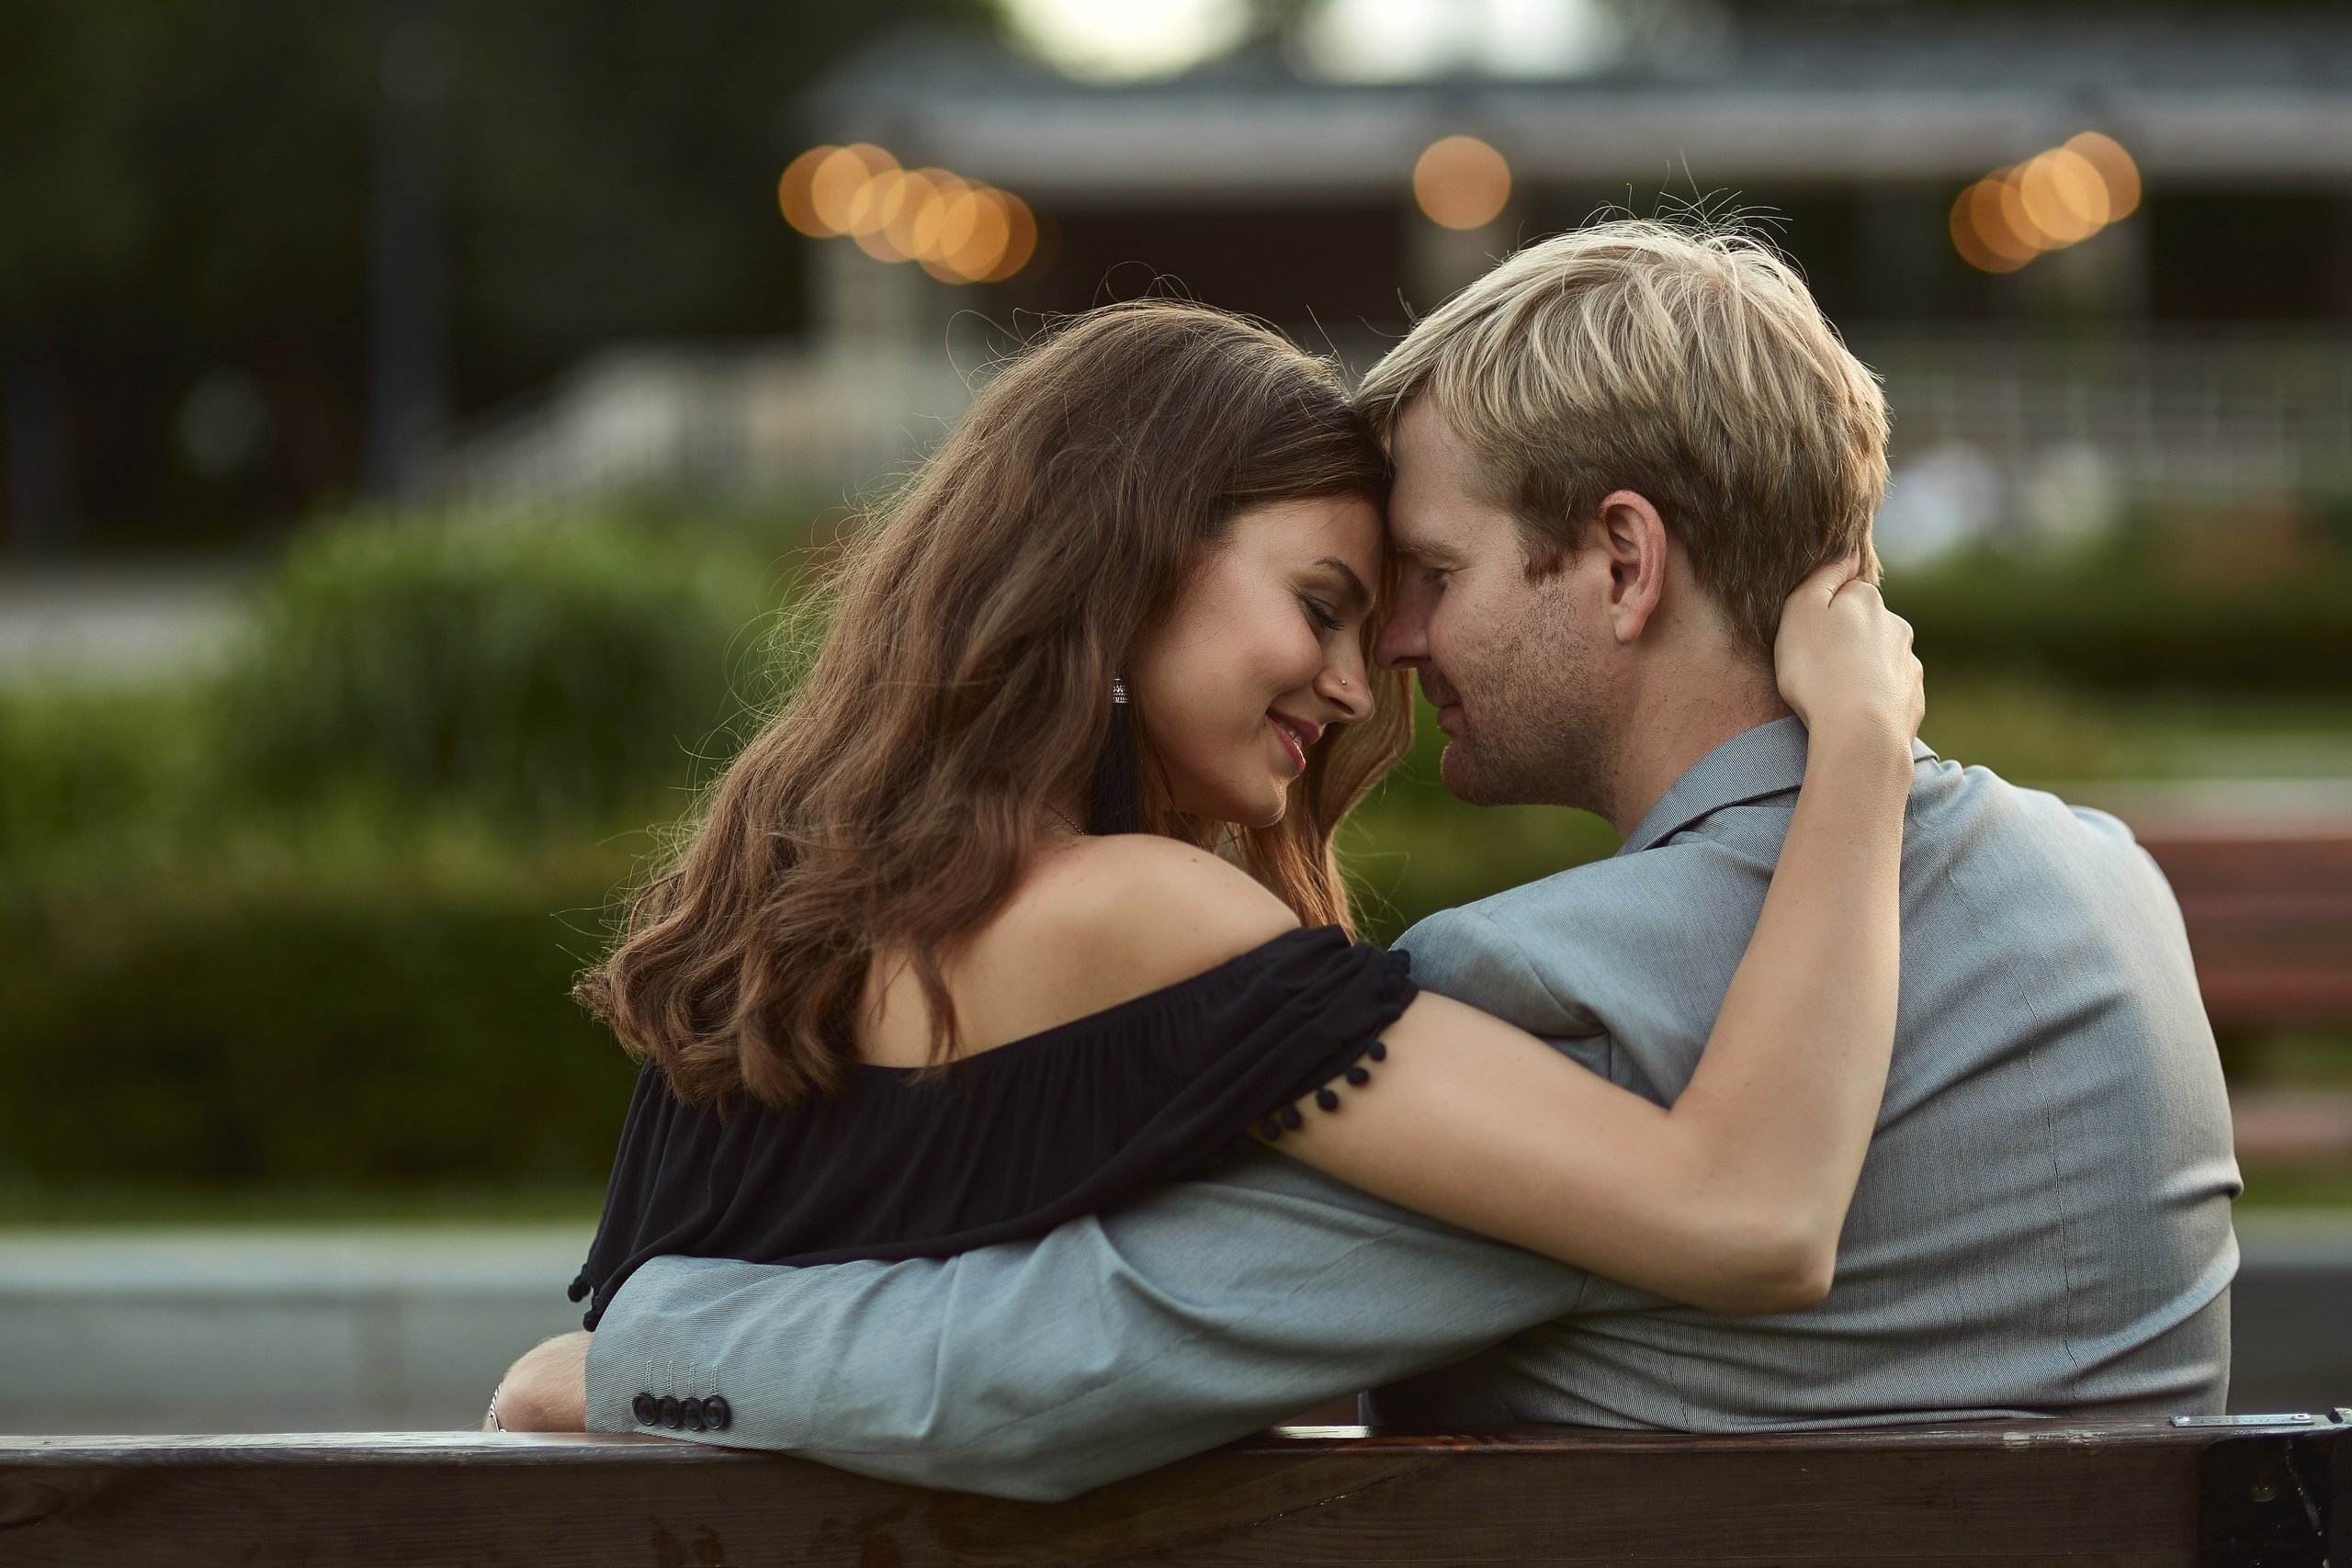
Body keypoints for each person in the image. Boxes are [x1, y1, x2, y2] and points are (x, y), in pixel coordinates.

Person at [507, 222, 2239, 1502]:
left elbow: (1042, 1368)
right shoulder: (2100, 892)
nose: (1387, 663)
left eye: (1424, 573)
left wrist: (626, 1360)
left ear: (1620, 563)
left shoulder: (1584, 997)